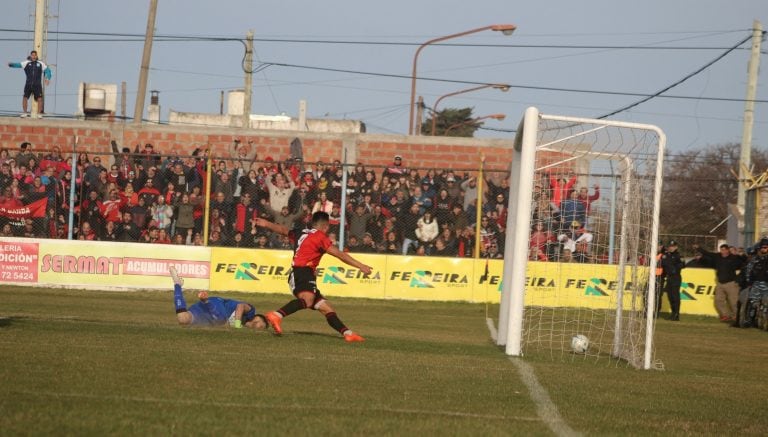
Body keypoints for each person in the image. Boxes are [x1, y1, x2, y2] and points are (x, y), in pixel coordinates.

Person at [256, 212, 372, 342]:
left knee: (325, 307)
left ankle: (348, 333)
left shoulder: (302, 232)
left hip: (301, 273)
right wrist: (361, 266)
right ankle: (276, 315)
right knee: (308, 300)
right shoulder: (321, 237)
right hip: (302, 272)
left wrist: (266, 223)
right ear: (326, 226)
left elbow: (282, 230)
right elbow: (341, 255)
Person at [169, 266, 266, 329]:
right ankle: (206, 301)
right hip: (217, 304)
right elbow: (240, 306)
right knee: (221, 319)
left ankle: (177, 284)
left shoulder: (245, 326)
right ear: (258, 317)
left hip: (210, 317)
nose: (259, 326)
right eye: (261, 324)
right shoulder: (251, 311)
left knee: (183, 319)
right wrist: (237, 324)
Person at [694, 243, 745, 322]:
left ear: (728, 250)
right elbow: (707, 253)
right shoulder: (717, 257)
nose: (723, 251)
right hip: (720, 283)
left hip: (731, 283)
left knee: (733, 302)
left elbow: (744, 260)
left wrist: (741, 254)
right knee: (718, 300)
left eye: (724, 250)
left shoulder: (734, 258)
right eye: (721, 250)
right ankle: (725, 315)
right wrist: (698, 248)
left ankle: (736, 316)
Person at [8, 50, 52, 117]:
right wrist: (11, 65)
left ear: (36, 56)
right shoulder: (26, 63)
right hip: (28, 84)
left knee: (40, 98)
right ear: (31, 56)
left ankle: (39, 114)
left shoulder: (40, 63)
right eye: (32, 55)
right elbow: (18, 65)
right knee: (25, 97)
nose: (34, 56)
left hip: (37, 85)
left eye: (35, 55)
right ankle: (25, 113)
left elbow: (48, 70)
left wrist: (47, 78)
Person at [739, 238, 768, 328]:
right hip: (755, 284)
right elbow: (748, 271)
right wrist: (749, 281)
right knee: (752, 303)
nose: (764, 249)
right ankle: (749, 320)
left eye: (766, 247)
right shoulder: (755, 259)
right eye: (762, 247)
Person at [659, 240, 685, 321]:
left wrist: (675, 268)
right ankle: (673, 313)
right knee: (670, 296)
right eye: (670, 246)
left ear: (676, 247)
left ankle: (676, 314)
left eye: (673, 246)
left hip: (676, 277)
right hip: (669, 277)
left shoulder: (678, 255)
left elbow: (683, 265)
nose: (671, 248)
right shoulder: (666, 254)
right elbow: (663, 263)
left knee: (675, 296)